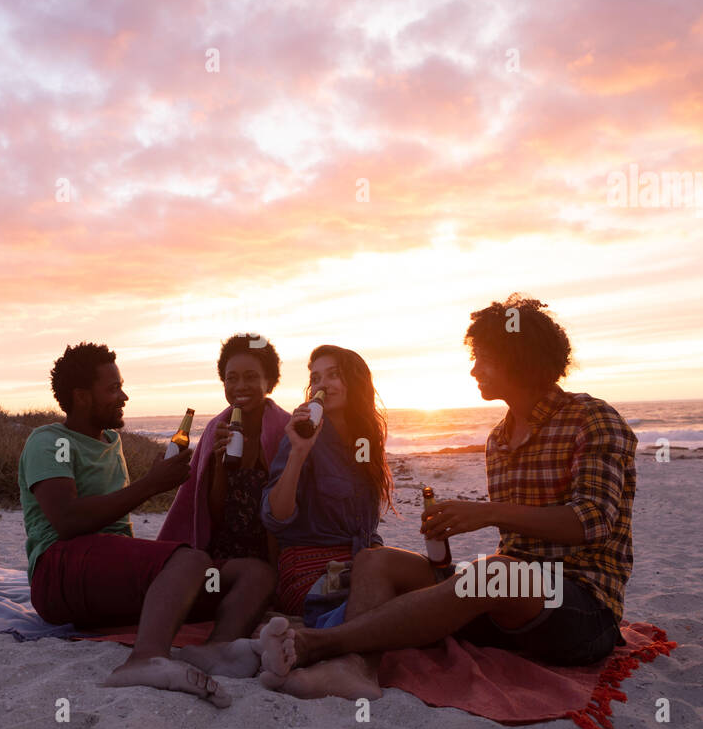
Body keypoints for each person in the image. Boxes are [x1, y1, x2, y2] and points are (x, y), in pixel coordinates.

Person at [256, 296, 637, 700]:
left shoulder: (591, 418)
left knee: (495, 571)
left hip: (579, 609)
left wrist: (486, 513)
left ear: (519, 357)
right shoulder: (500, 438)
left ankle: (319, 643)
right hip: (504, 599)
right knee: (375, 558)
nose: (474, 368)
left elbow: (591, 521)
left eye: (483, 357)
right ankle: (357, 672)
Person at [19, 342, 277, 707]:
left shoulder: (111, 441)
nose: (124, 395)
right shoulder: (49, 441)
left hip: (106, 580)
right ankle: (144, 659)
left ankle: (218, 650)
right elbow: (67, 521)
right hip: (58, 574)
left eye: (121, 385)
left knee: (255, 573)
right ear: (81, 397)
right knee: (190, 559)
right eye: (112, 389)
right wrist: (150, 485)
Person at [260, 345, 394, 618]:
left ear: (355, 382)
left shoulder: (364, 442)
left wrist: (378, 554)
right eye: (315, 378)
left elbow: (364, 524)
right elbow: (276, 517)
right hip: (310, 570)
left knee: (427, 586)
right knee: (391, 610)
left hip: (360, 563)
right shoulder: (302, 437)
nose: (322, 385)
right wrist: (299, 452)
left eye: (333, 374)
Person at [158, 333, 291, 565]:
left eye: (250, 377)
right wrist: (220, 467)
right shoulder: (215, 430)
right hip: (222, 552)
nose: (240, 386)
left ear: (269, 382)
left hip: (278, 550)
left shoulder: (286, 430)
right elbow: (214, 516)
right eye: (231, 378)